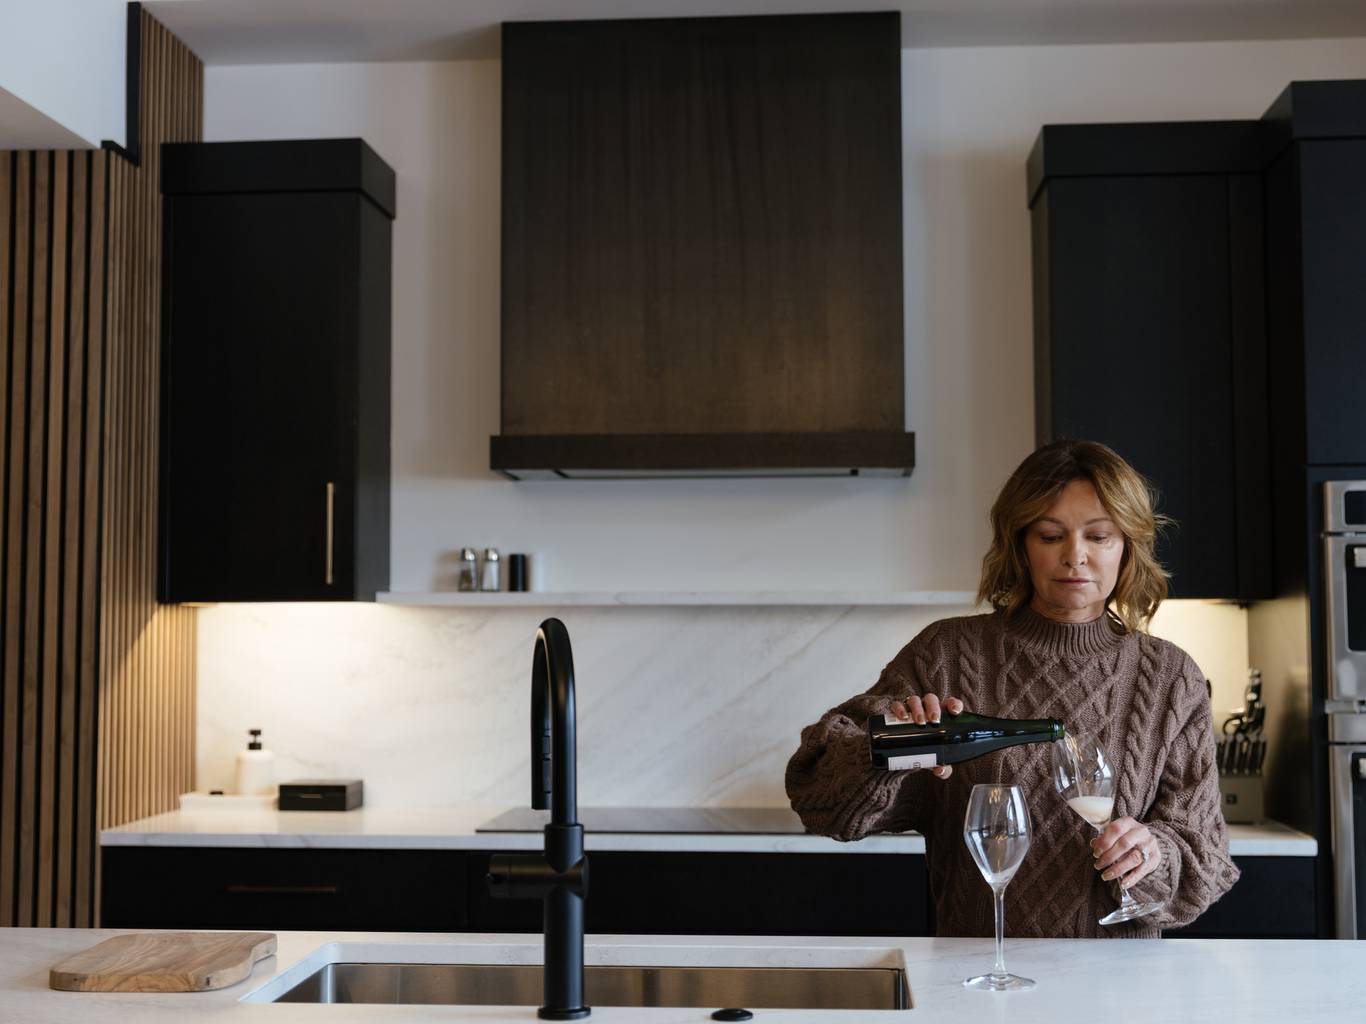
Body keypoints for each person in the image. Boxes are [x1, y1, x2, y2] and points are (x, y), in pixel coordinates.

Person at [785, 439, 1239, 938]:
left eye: (1099, 536)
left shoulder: (1170, 677)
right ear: (1020, 545)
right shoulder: (946, 654)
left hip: (1119, 982)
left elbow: (1206, 858)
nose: (1075, 557)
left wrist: (1154, 853)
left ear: (1127, 546)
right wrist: (888, 748)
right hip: (978, 971)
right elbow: (819, 799)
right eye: (1050, 535)